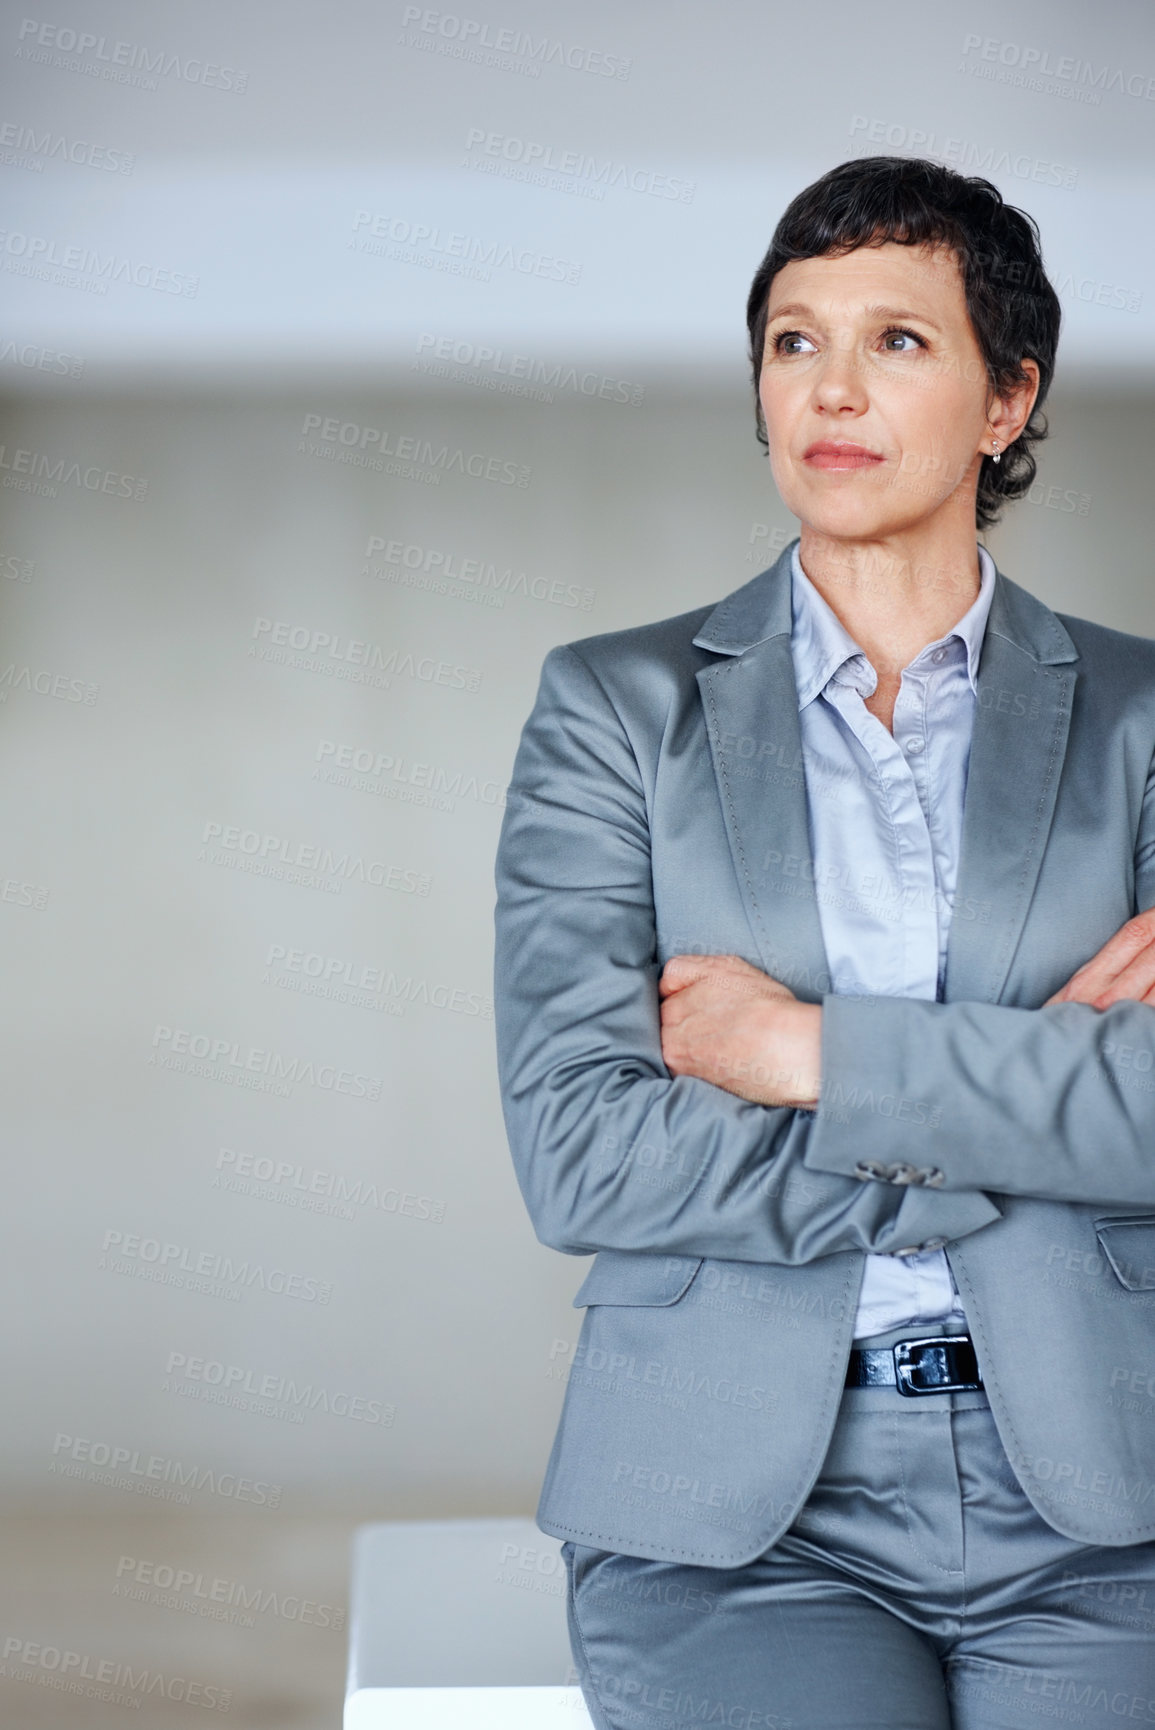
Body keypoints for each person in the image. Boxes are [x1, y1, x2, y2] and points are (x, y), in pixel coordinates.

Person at [492, 156, 1155, 1729]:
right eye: (795, 342)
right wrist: (1042, 1091)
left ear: (1010, 401)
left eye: (898, 342)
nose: (831, 389)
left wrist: (799, 1054)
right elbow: (584, 1154)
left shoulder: (1142, 720)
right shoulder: (615, 711)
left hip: (1110, 1499)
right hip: (729, 1519)